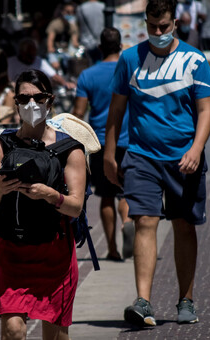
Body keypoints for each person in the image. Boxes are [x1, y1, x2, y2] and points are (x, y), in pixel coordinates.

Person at [104, 0, 210, 327]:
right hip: (141, 156)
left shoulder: (194, 60)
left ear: (175, 23)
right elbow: (116, 112)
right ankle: (143, 301)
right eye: (152, 27)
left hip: (184, 157)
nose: (157, 33)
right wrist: (111, 155)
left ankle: (186, 300)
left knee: (183, 225)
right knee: (145, 222)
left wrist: (196, 149)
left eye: (163, 27)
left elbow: (206, 110)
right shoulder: (129, 59)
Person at [0, 69, 86, 339]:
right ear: (15, 103)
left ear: (49, 101)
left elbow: (75, 206)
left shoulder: (69, 149)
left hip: (55, 255)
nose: (32, 105)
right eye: (24, 98)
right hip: (11, 254)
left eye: (38, 98)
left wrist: (50, 195)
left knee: (56, 335)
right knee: (13, 330)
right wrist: (0, 189)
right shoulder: (1, 146)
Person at [73, 27, 133, 261]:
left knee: (106, 195)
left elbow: (79, 112)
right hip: (128, 140)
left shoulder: (87, 75)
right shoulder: (129, 71)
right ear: (120, 46)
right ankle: (127, 222)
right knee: (125, 193)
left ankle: (112, 249)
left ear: (99, 47)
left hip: (98, 142)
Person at [7, 38, 75, 89]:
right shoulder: (10, 62)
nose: (32, 58)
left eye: (34, 55)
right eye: (29, 55)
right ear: (22, 52)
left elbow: (54, 75)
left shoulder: (39, 61)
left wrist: (65, 84)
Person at [46, 1, 80, 73]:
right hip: (55, 52)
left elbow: (75, 41)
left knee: (74, 65)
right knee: (55, 65)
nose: (70, 14)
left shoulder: (73, 26)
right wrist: (51, 48)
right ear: (62, 12)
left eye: (72, 12)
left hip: (66, 53)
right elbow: (50, 41)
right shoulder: (55, 24)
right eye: (68, 12)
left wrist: (79, 47)